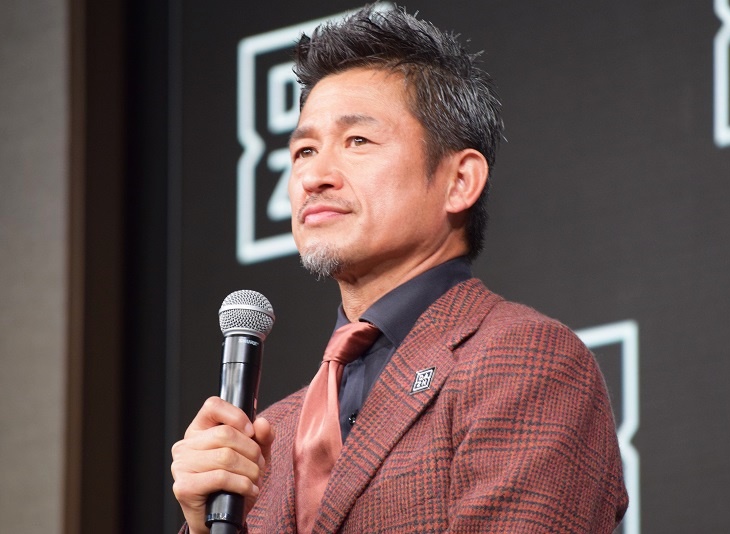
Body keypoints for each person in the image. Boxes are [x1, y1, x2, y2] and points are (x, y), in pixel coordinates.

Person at [171, 4, 628, 533]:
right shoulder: (267, 437)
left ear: (459, 181)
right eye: (304, 150)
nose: (314, 176)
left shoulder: (522, 360)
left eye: (357, 141)